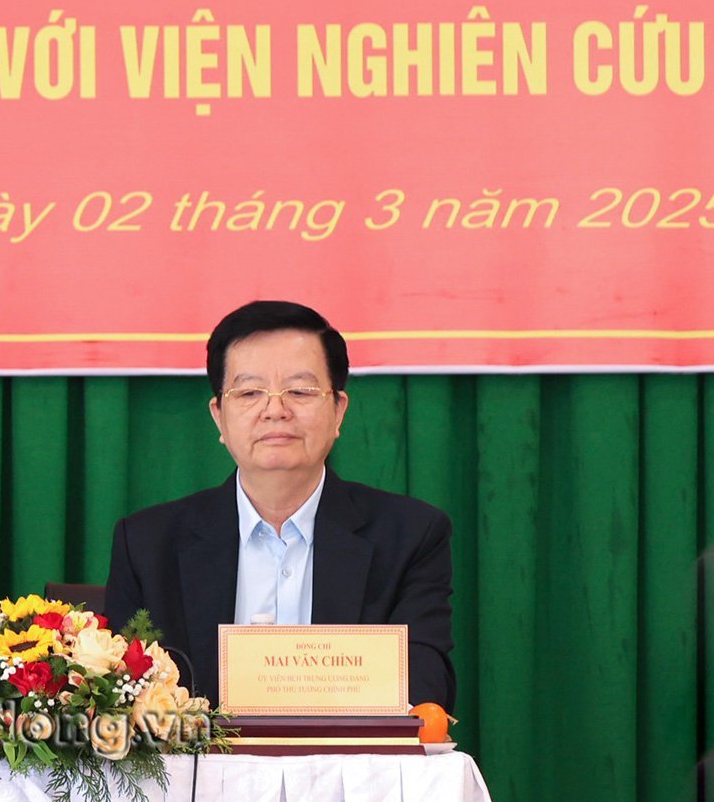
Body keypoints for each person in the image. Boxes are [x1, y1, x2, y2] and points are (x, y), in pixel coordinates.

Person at [105, 300, 455, 710]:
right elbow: (124, 694)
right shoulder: (148, 543)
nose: (275, 410)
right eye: (250, 392)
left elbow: (425, 686)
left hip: (347, 770)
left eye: (300, 391)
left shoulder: (410, 534)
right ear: (219, 416)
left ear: (338, 410)